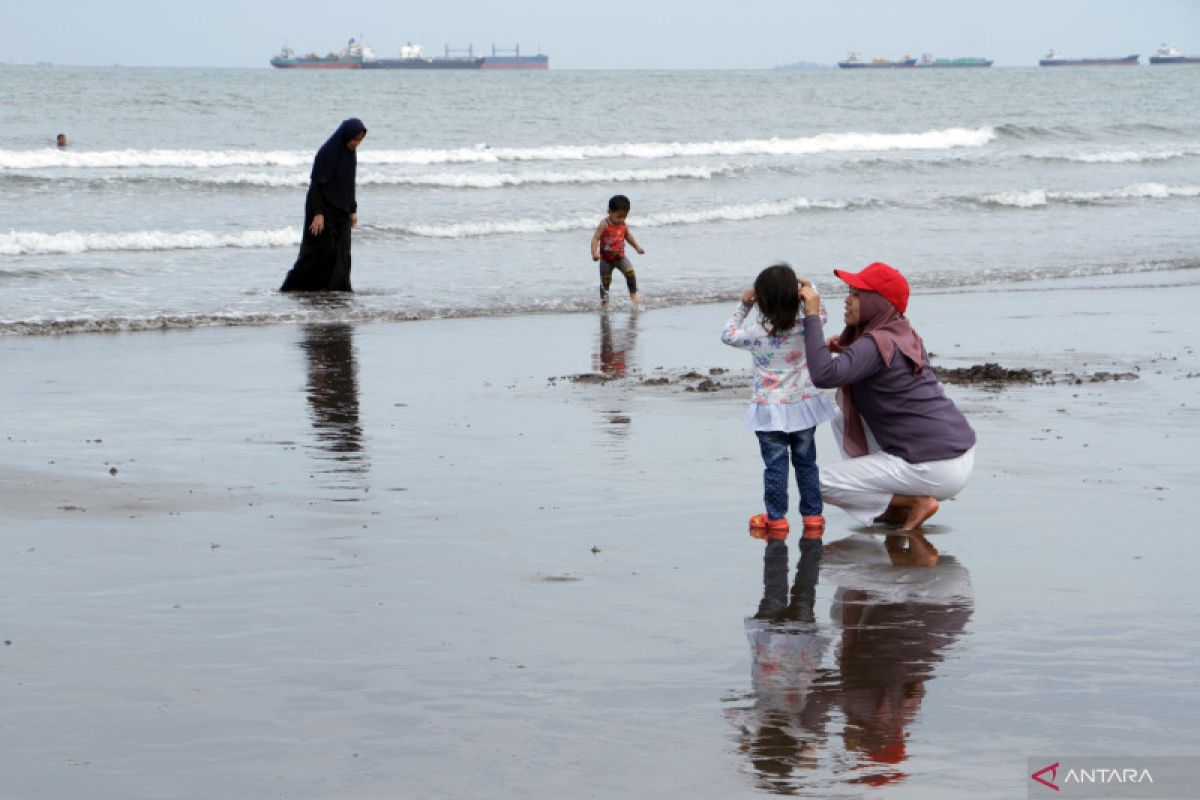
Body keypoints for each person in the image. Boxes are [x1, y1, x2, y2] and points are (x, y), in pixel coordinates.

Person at [799, 262, 976, 531]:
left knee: (815, 483)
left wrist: (811, 317)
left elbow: (824, 375)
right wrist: (846, 348)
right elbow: (875, 363)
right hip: (956, 455)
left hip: (932, 466)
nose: (847, 300)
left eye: (857, 295)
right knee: (840, 418)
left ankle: (907, 503)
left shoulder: (875, 343)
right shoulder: (903, 332)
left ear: (877, 303)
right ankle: (886, 503)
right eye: (849, 292)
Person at [722, 263, 837, 621]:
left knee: (775, 465)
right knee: (806, 462)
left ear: (762, 302)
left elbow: (727, 334)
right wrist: (809, 287)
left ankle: (777, 519)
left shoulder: (755, 331)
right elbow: (823, 313)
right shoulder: (807, 327)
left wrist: (742, 305)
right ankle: (813, 516)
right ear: (796, 297)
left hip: (770, 411)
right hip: (801, 407)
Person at [280, 118, 367, 292]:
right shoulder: (327, 153)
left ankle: (337, 294)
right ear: (346, 135)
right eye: (354, 139)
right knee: (317, 253)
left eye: (359, 140)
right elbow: (316, 186)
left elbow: (349, 183)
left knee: (342, 253)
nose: (356, 144)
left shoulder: (350, 154)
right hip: (322, 206)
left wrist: (353, 210)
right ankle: (295, 289)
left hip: (342, 210)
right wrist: (318, 214)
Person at [590, 194, 645, 310]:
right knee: (605, 282)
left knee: (630, 273)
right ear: (609, 212)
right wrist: (594, 253)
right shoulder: (604, 224)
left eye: (624, 217)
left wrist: (637, 247)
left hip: (620, 257)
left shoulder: (623, 225)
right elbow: (595, 238)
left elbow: (628, 237)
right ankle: (605, 303)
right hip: (606, 259)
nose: (622, 219)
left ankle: (633, 293)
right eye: (619, 217)